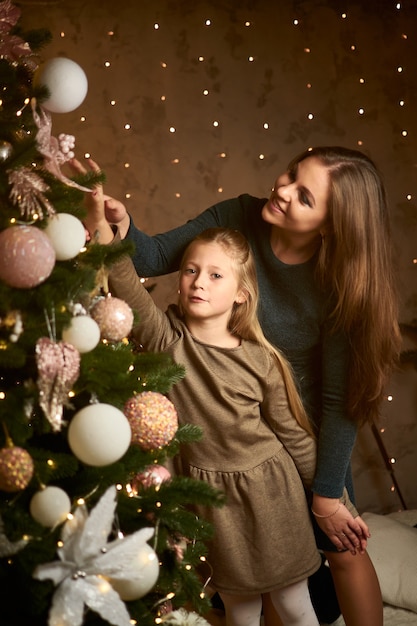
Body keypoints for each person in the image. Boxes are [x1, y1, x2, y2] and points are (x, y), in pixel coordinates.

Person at [71, 145, 401, 626]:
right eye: (290, 174)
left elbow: (338, 400)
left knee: (343, 548)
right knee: (248, 579)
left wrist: (327, 494)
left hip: (302, 430)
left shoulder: (337, 279)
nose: (282, 190)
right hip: (232, 427)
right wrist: (114, 225)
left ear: (332, 225)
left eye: (304, 196)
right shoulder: (239, 215)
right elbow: (157, 254)